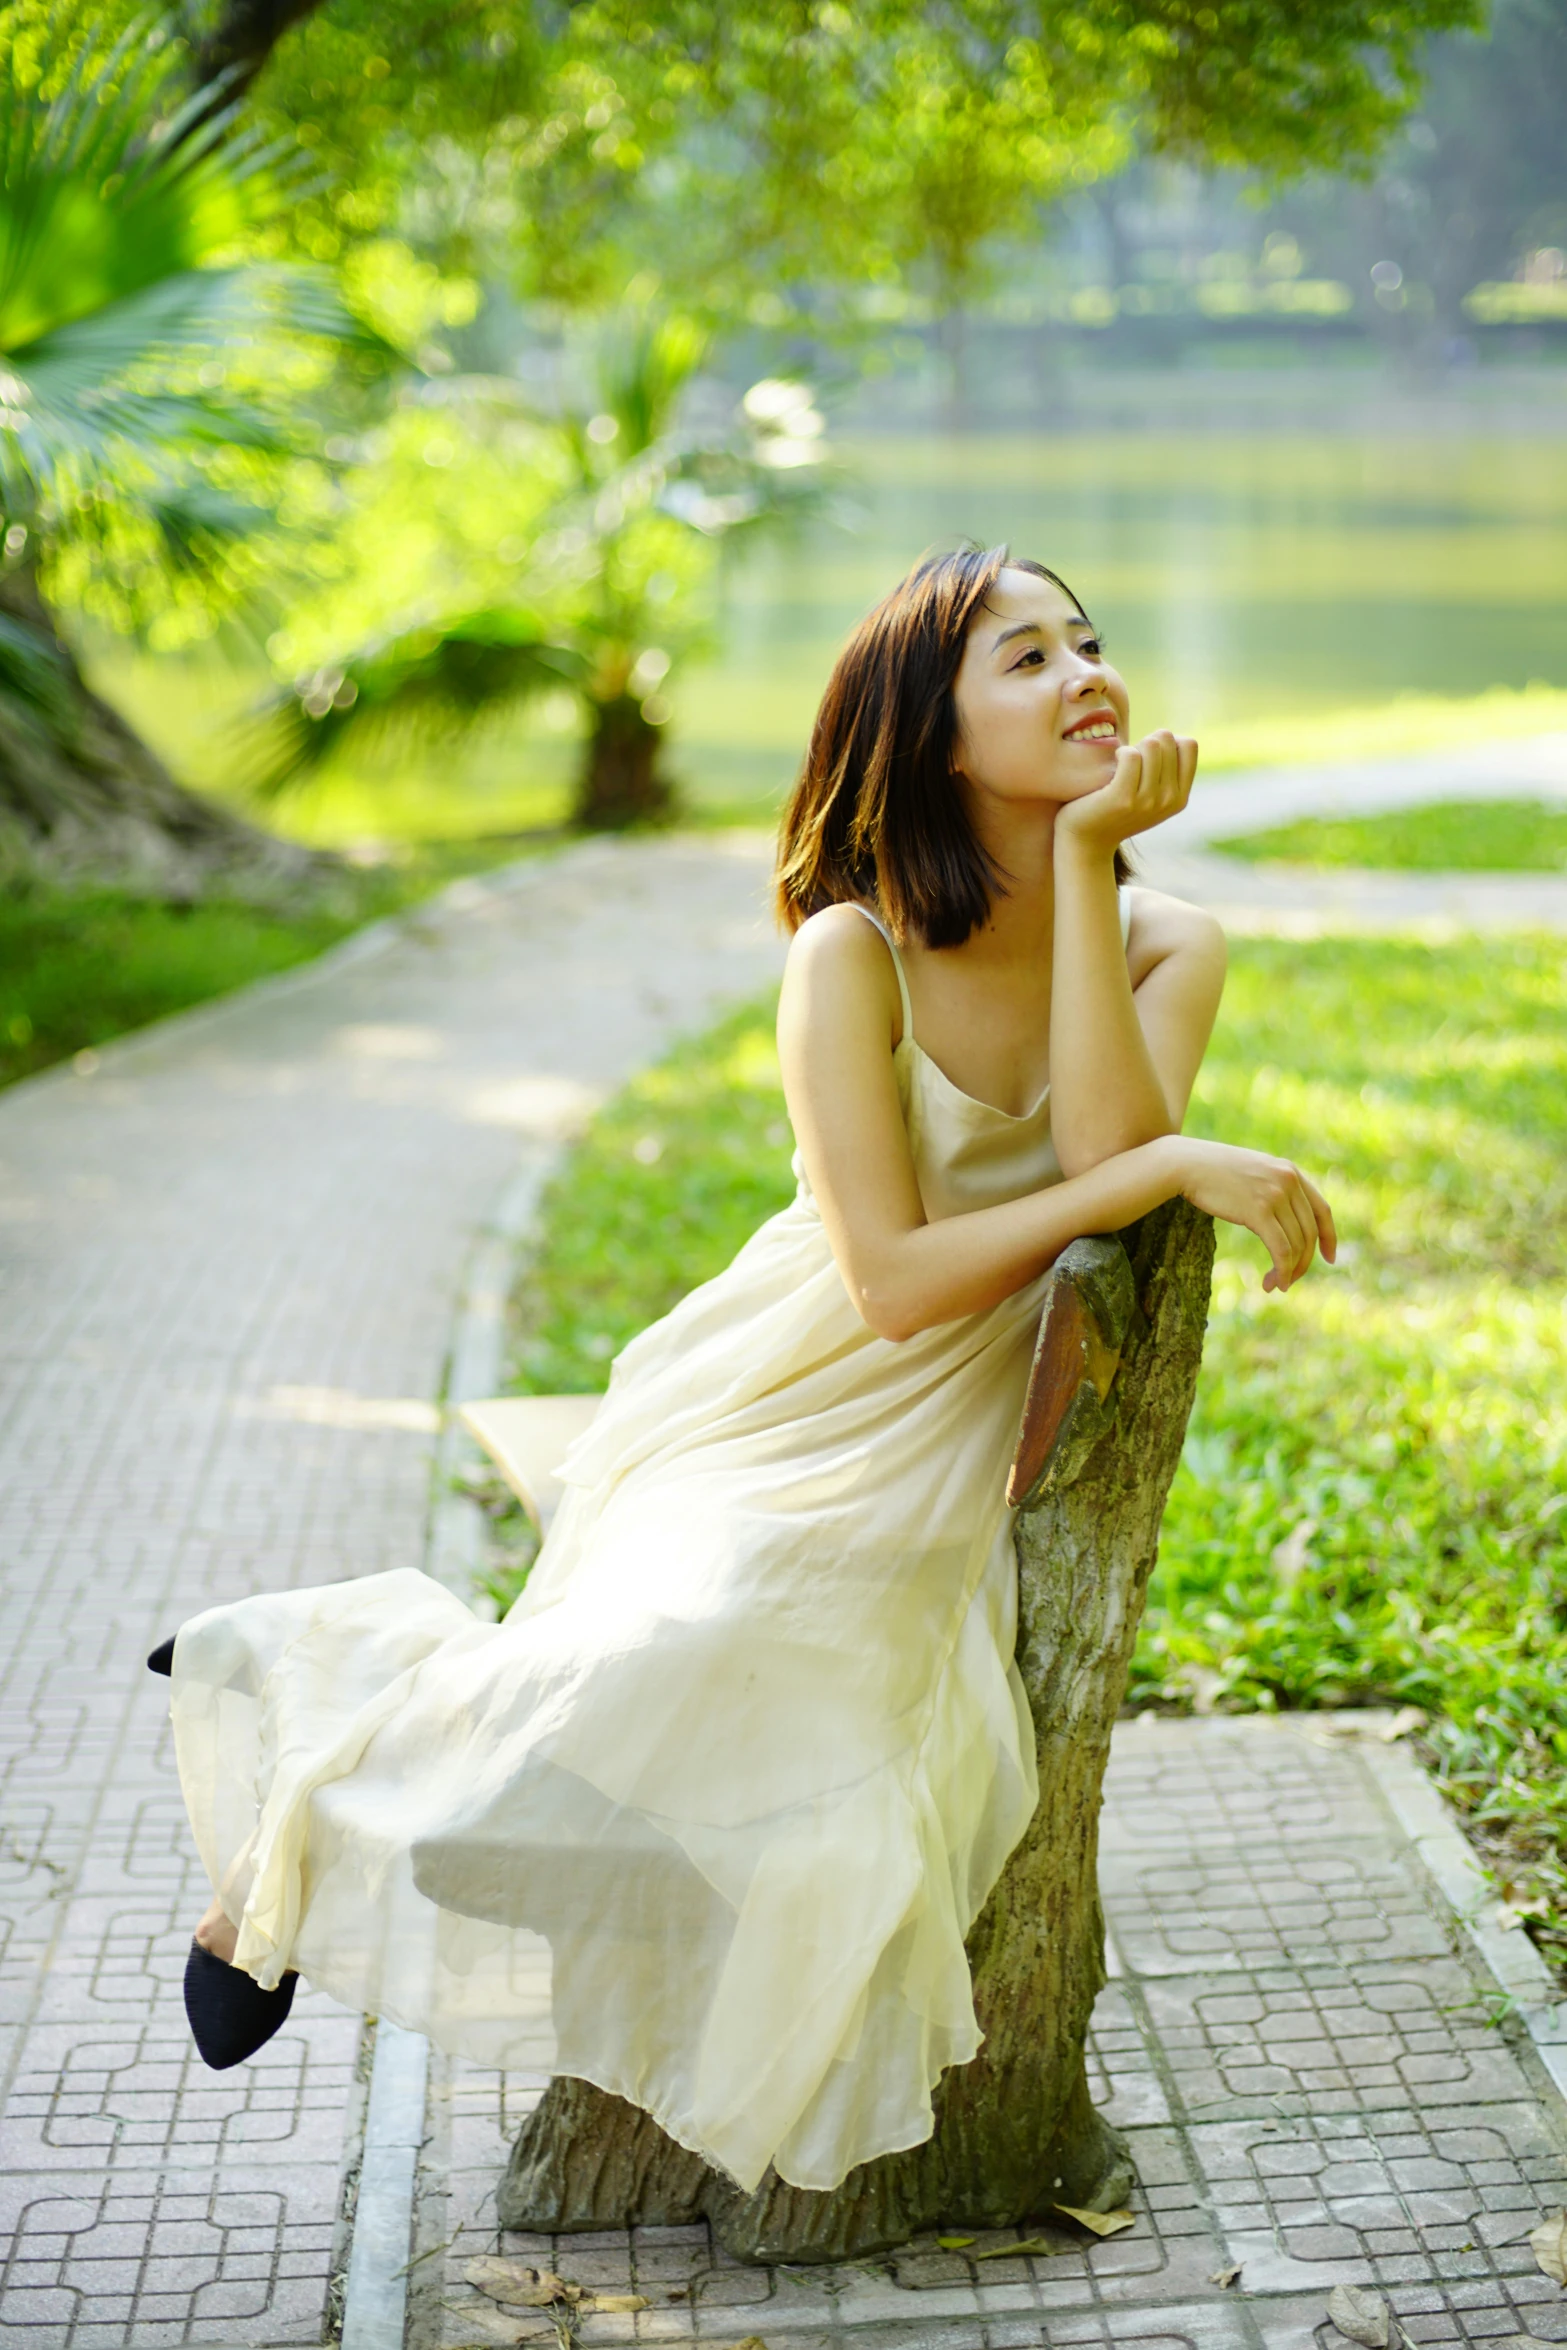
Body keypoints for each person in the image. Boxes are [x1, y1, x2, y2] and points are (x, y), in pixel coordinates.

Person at [152, 546, 1334, 2198]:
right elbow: (895, 1278)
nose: (1083, 675)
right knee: (679, 1635)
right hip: (784, 1382)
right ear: (928, 734)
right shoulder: (848, 951)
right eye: (1024, 657)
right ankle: (319, 1708)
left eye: (1089, 641)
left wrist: (1082, 868)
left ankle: (346, 1747)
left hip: (953, 1418)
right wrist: (1165, 1160)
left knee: (806, 1709)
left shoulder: (1163, 941)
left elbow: (1101, 1149)